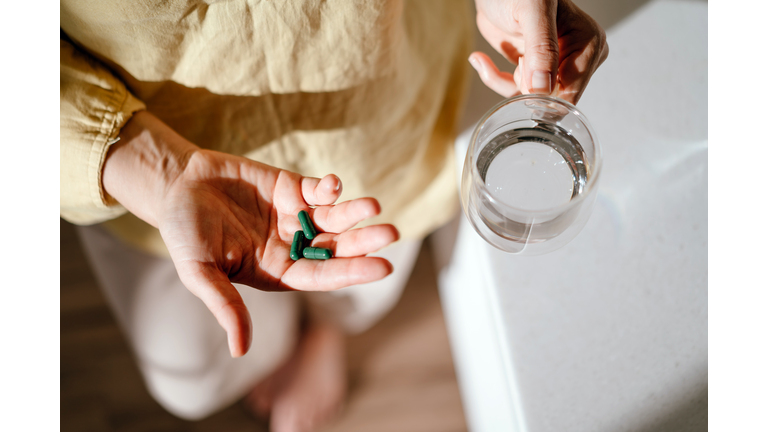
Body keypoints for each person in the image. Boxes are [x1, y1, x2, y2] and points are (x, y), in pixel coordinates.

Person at [60, 1, 607, 431]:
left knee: (365, 261)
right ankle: (302, 329)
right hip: (152, 145)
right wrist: (157, 170)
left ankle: (328, 328)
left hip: (375, 110)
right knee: (191, 376)